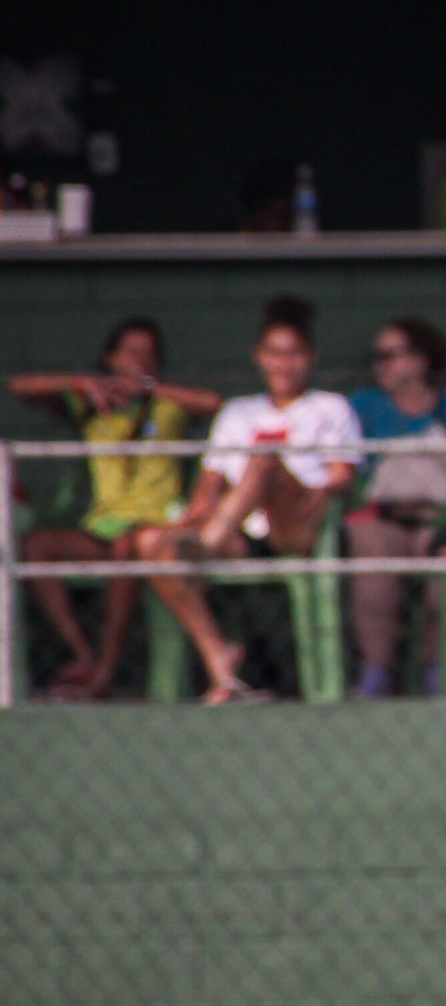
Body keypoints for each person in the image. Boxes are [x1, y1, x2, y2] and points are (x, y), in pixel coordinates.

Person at [135, 296, 362, 704]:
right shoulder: (237, 412)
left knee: (263, 462)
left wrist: (327, 490)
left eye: (294, 354)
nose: (284, 364)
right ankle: (220, 660)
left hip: (296, 526)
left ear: (309, 358)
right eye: (275, 353)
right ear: (259, 357)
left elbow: (342, 477)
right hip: (240, 530)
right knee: (150, 543)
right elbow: (207, 490)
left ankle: (208, 545)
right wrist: (184, 524)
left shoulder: (331, 406)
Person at [7, 318, 221, 699]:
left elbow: (211, 403)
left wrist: (148, 388)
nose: (140, 360)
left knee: (126, 546)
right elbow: (19, 387)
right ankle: (83, 655)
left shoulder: (167, 404)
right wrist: (84, 384)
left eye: (149, 353)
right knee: (35, 545)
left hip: (153, 530)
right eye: (131, 351)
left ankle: (106, 671)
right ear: (110, 357)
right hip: (102, 527)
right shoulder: (89, 406)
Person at [345, 318, 446, 699]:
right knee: (372, 551)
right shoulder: (365, 405)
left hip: (442, 518)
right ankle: (376, 671)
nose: (383, 365)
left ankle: (441, 670)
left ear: (422, 359)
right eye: (378, 357)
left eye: (392, 355)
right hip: (386, 517)